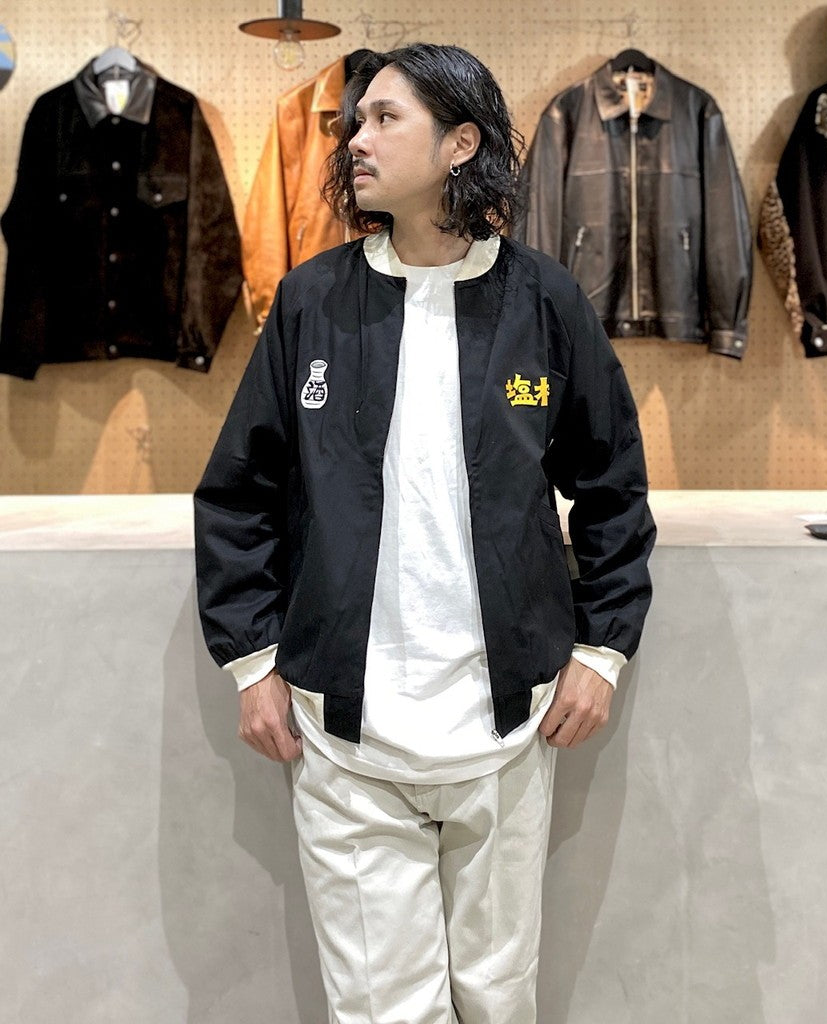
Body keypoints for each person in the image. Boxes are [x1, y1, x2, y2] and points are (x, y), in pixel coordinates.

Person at [194, 43, 655, 1024]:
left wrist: (602, 651)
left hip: (507, 724)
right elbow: (239, 493)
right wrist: (252, 662)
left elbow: (612, 487)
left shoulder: (544, 302)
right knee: (381, 1008)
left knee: (497, 996)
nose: (354, 140)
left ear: (460, 143)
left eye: (384, 118)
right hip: (344, 734)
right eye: (353, 122)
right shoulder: (312, 302)